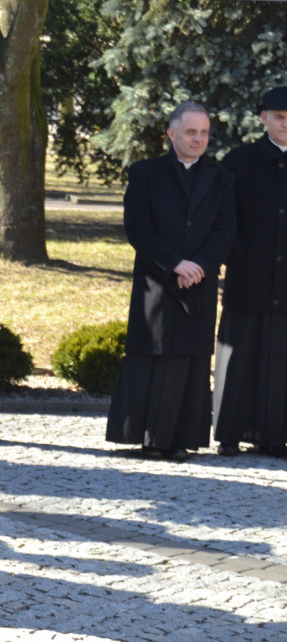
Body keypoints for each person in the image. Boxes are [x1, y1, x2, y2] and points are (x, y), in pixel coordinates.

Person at [106, 102, 236, 461]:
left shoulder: (222, 179)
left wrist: (200, 265)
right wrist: (174, 264)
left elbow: (227, 229)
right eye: (191, 132)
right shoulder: (145, 173)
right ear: (172, 134)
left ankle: (181, 440)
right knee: (153, 354)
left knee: (189, 359)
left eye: (204, 133)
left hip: (199, 282)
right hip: (157, 279)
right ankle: (147, 438)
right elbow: (138, 226)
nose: (198, 139)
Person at [213, 87, 287, 458]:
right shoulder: (238, 162)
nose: (285, 125)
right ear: (264, 119)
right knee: (238, 357)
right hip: (248, 277)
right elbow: (224, 220)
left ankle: (276, 438)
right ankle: (229, 434)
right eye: (279, 117)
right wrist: (239, 255)